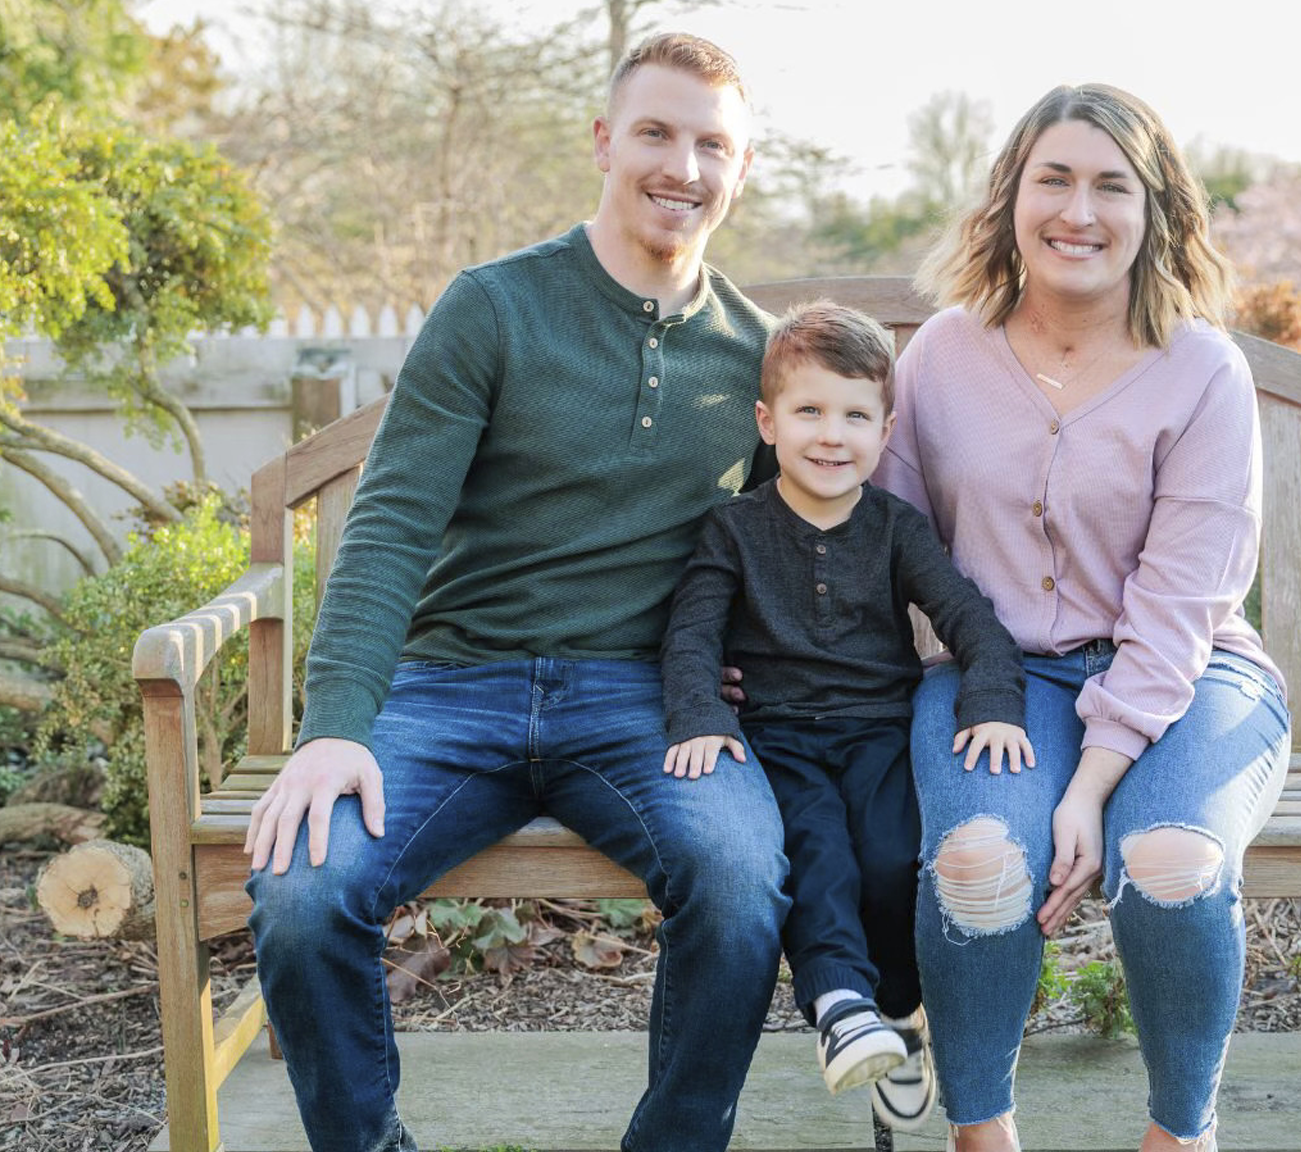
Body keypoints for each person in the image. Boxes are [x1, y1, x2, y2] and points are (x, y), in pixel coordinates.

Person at [238, 33, 791, 1152]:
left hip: (640, 702)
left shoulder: (758, 357)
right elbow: (390, 524)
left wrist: (741, 661)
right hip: (450, 687)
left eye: (711, 144)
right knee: (301, 894)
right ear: (601, 140)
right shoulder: (493, 307)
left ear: (741, 167)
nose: (681, 165)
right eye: (655, 132)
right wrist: (335, 725)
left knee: (738, 885)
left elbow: (789, 545)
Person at [871, 84, 1294, 1152]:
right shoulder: (940, 358)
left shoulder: (1201, 371)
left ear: (1153, 213)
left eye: (1112, 185)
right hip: (993, 680)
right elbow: (881, 548)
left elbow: (1180, 602)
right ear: (1011, 196)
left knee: (1166, 860)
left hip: (1187, 679)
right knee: (976, 862)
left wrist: (1095, 781)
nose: (1078, 210)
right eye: (1052, 178)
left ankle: (1179, 1135)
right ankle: (980, 1133)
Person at [659, 302, 1031, 1121]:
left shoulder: (896, 529)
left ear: (886, 429)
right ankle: (838, 1009)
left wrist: (993, 700)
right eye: (810, 412)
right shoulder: (734, 529)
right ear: (768, 422)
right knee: (817, 856)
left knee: (896, 859)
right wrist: (700, 718)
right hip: (779, 739)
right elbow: (690, 634)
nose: (833, 435)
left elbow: (970, 619)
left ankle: (894, 1013)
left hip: (879, 730)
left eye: (856, 416)